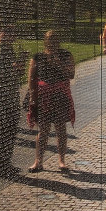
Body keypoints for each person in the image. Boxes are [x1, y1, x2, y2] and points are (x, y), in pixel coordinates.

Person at [27, 30, 75, 173]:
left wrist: (59, 63)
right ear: (45, 42)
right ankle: (38, 161)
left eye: (55, 40)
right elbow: (31, 77)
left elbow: (71, 74)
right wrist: (32, 96)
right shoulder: (38, 57)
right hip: (44, 97)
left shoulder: (66, 55)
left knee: (60, 128)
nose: (52, 43)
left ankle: (61, 160)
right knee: (43, 130)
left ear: (58, 41)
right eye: (50, 40)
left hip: (60, 96)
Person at [0, 27, 27, 179]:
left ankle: (6, 163)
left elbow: (17, 73)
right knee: (3, 134)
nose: (14, 39)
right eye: (12, 36)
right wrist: (19, 64)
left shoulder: (8, 50)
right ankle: (1, 166)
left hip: (11, 98)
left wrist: (21, 62)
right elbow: (5, 75)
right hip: (2, 100)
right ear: (3, 35)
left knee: (11, 133)